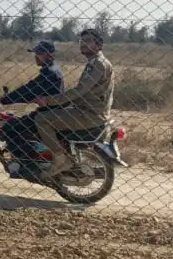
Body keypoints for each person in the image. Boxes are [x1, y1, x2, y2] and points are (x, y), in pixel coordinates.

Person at [31, 28, 115, 178]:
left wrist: (49, 101)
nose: (83, 44)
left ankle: (60, 159)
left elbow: (80, 91)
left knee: (42, 119)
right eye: (81, 41)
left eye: (88, 41)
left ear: (99, 45)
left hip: (89, 114)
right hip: (89, 110)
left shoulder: (98, 64)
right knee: (51, 114)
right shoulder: (95, 62)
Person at [0, 38, 64, 177]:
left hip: (47, 114)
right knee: (17, 123)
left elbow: (29, 90)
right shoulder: (50, 70)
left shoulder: (49, 73)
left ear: (50, 55)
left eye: (40, 53)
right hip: (49, 112)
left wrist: (3, 100)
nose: (36, 56)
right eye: (36, 53)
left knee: (10, 128)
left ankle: (28, 165)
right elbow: (30, 89)